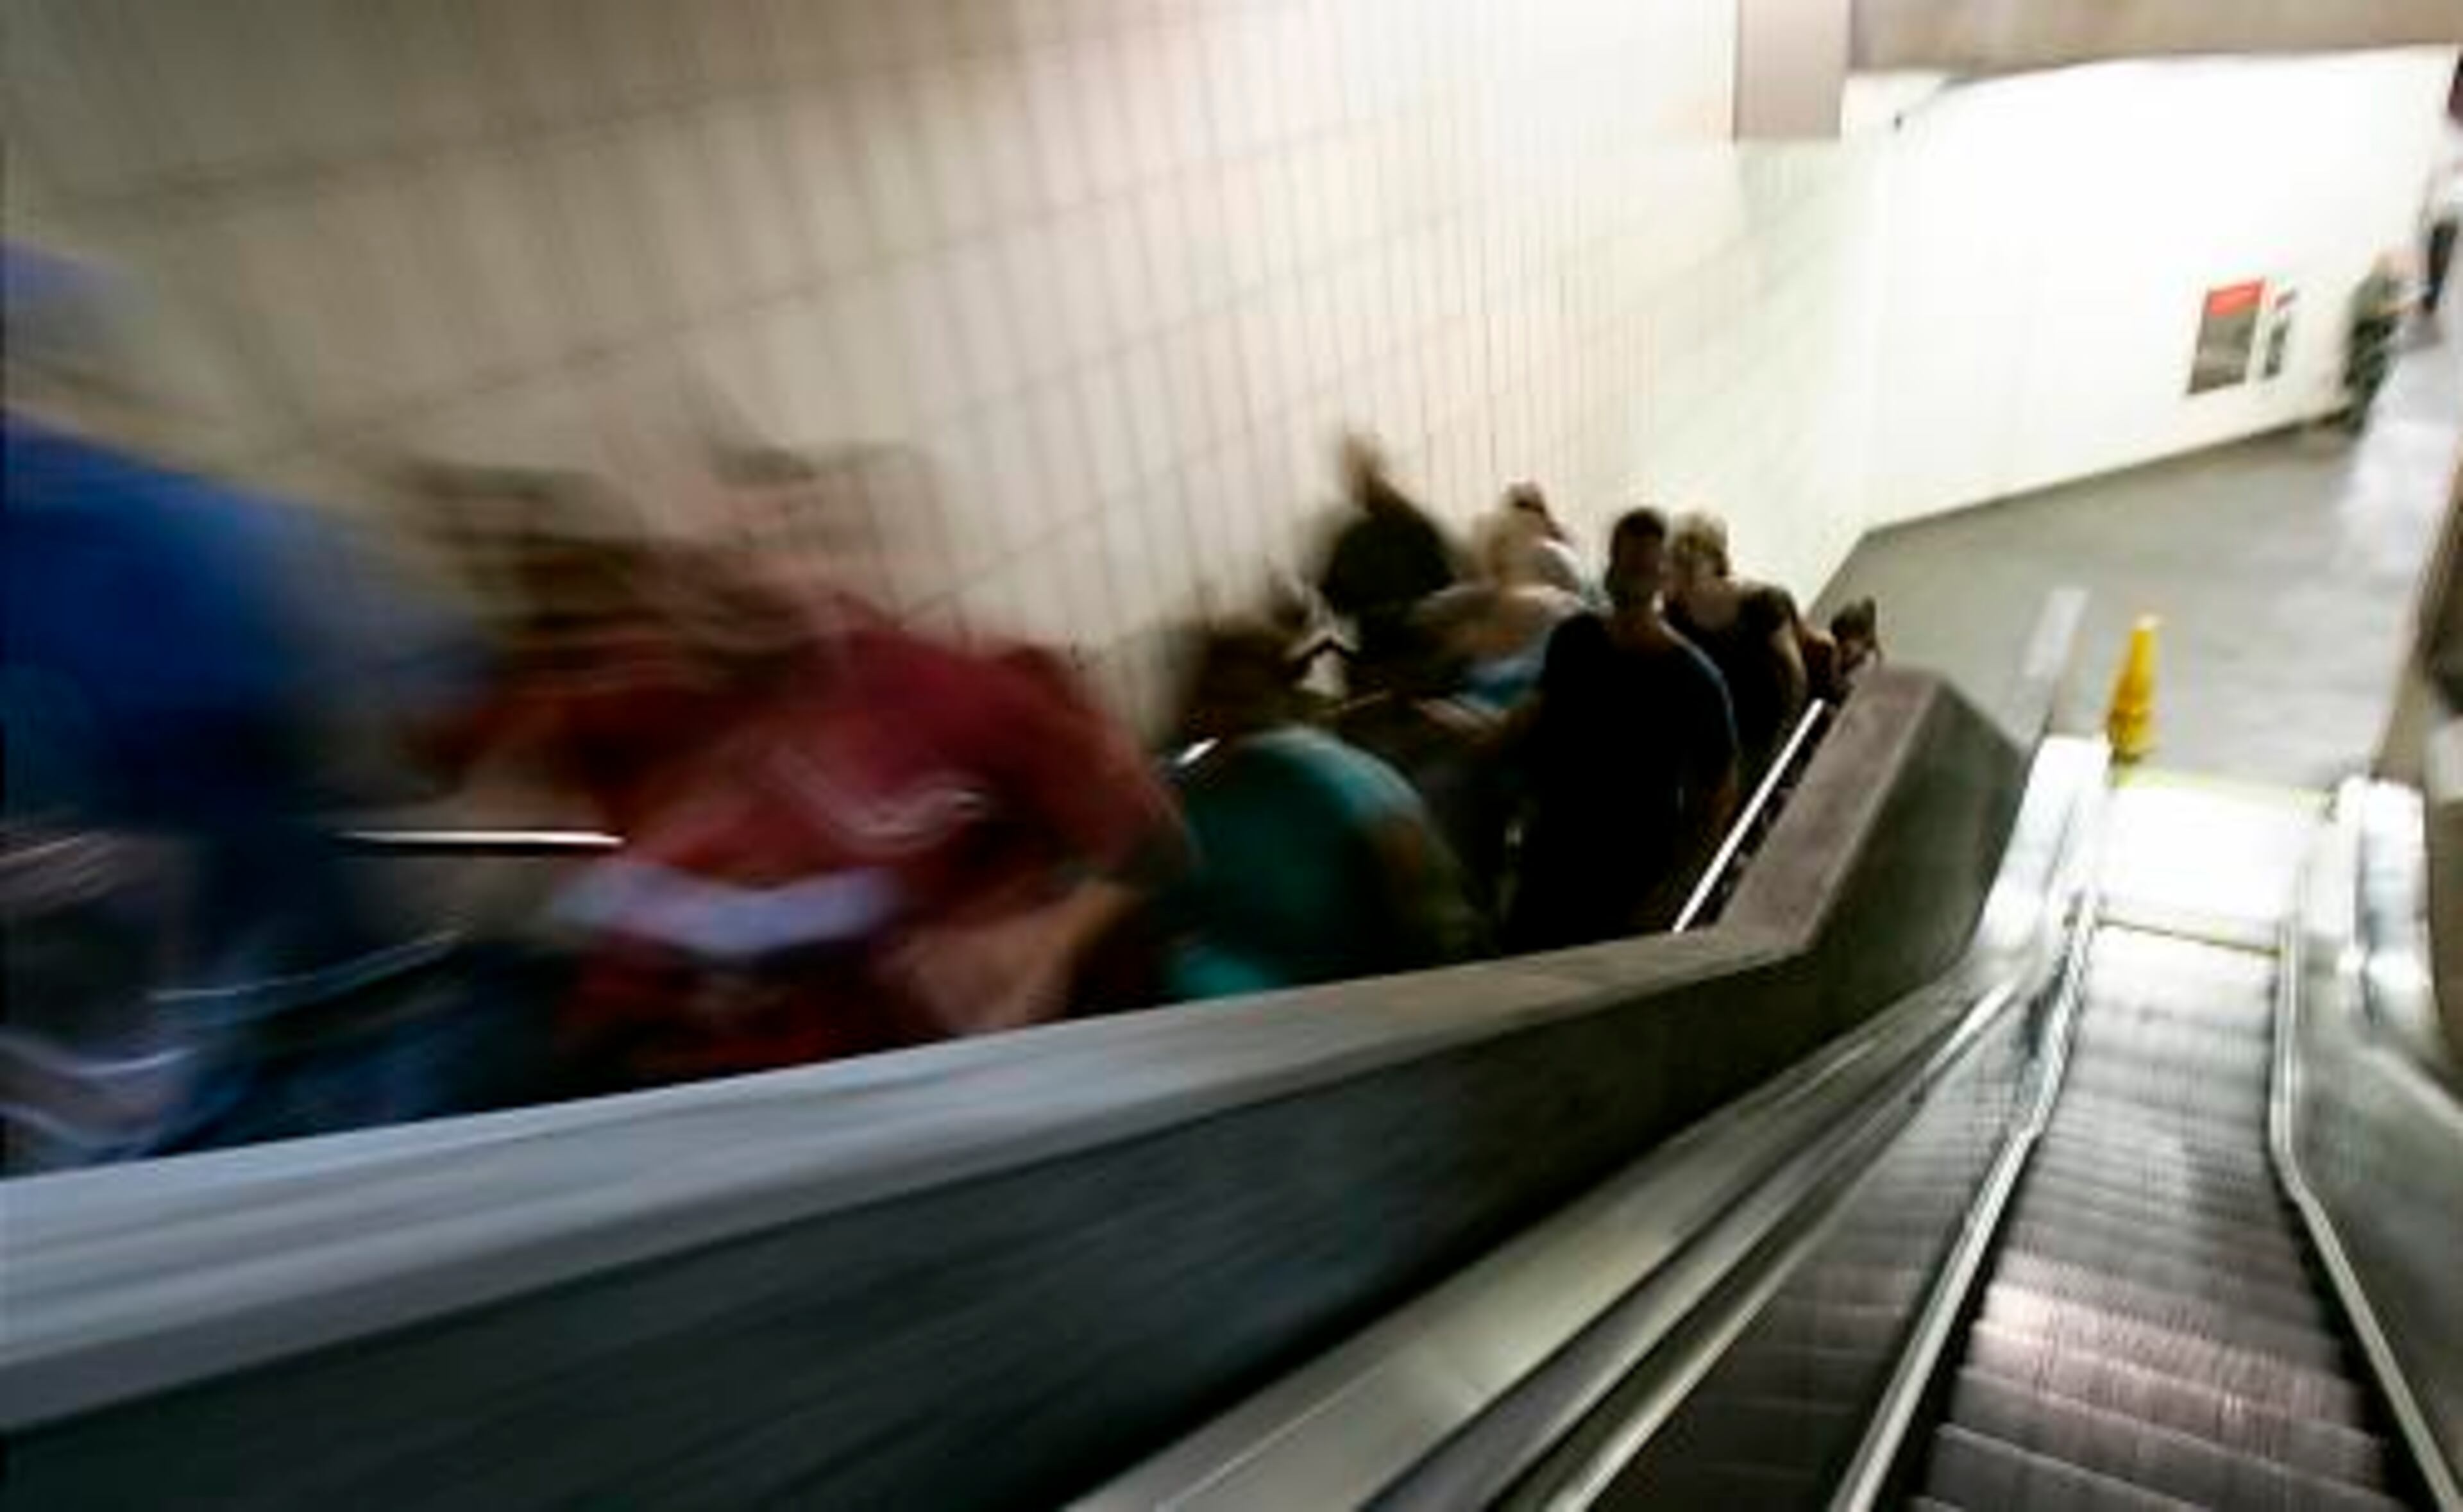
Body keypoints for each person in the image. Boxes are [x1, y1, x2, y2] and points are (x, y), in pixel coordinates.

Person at [433, 464, 1185, 1091]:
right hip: (739, 1090)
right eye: (736, 549)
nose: (762, 574)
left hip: (960, 1087)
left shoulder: (969, 693)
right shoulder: (688, 706)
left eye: (797, 542)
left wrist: (1036, 944)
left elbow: (1152, 847)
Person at [1163, 625, 1482, 996]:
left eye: (1239, 701)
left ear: (1278, 700)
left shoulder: (1342, 783)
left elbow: (1433, 917)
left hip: (1346, 998)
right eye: (1211, 699)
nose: (1224, 718)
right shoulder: (1192, 788)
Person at [1506, 508, 1739, 950]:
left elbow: (1719, 790)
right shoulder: (1574, 638)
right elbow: (1542, 718)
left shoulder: (1693, 678)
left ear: (1663, 577)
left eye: (1641, 566)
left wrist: (1672, 891)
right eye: (1622, 561)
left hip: (1628, 873)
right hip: (1554, 854)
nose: (1628, 576)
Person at [1663, 511, 1808, 783]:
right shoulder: (1676, 613)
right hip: (1722, 732)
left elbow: (1796, 673)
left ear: (1709, 562)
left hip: (1766, 725)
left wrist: (1787, 736)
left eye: (1681, 564)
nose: (1670, 573)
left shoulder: (1761, 601)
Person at [1316, 432, 1459, 692]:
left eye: (1360, 471)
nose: (1355, 481)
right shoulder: (1351, 538)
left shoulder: (1412, 528)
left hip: (1407, 664)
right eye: (1351, 472)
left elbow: (1444, 594)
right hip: (1386, 663)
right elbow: (1332, 599)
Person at [2346, 255, 2406, 432]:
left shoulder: (2389, 287)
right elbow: (2367, 312)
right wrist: (2394, 309)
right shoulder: (2372, 286)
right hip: (2368, 342)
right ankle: (2356, 421)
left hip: (2378, 341)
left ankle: (2360, 418)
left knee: (2374, 380)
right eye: (2393, 267)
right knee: (2365, 382)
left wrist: (2395, 311)